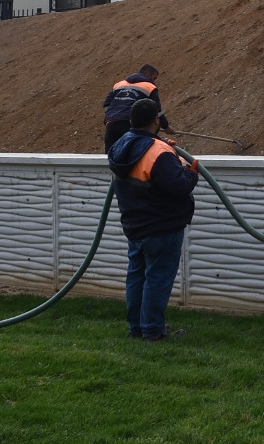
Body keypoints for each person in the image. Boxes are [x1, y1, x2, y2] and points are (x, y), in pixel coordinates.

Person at [107, 96, 198, 341]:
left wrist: (164, 149)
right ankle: (153, 330)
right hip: (162, 227)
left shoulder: (122, 145)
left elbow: (146, 168)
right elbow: (177, 186)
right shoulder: (158, 151)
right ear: (156, 120)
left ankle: (136, 328)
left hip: (134, 225)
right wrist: (192, 174)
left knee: (137, 275)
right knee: (158, 278)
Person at [103, 63, 169, 149]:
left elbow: (106, 104)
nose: (154, 81)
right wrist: (166, 126)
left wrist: (111, 116)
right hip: (131, 125)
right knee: (134, 155)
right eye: (154, 78)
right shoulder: (150, 87)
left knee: (110, 156)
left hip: (112, 124)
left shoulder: (119, 84)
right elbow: (157, 111)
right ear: (148, 74)